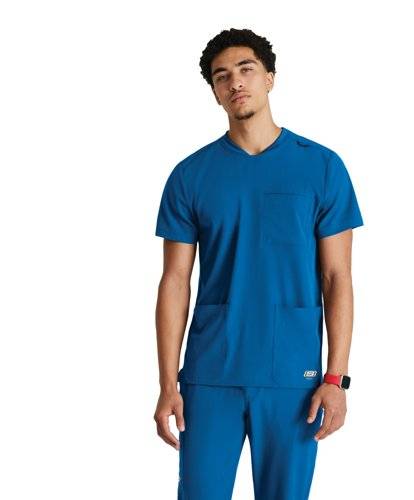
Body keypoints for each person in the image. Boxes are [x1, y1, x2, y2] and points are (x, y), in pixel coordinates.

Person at [153, 27, 364, 500]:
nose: (235, 82)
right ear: (215, 92)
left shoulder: (322, 167)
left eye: (246, 69)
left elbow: (337, 277)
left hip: (294, 376)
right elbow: (175, 281)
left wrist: (336, 378)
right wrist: (168, 383)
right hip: (210, 374)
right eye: (221, 76)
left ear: (270, 77)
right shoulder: (191, 176)